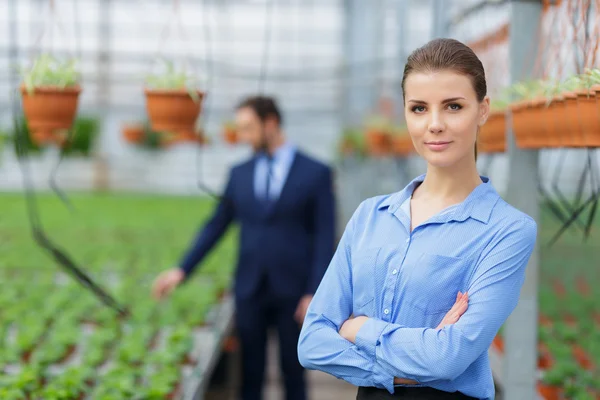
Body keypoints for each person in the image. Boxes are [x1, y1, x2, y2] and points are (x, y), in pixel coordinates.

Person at [297, 38, 537, 400]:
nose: (435, 124)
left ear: (483, 110)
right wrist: (404, 372)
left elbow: (448, 357)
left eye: (453, 106)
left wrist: (358, 327)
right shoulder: (369, 216)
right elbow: (312, 341)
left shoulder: (507, 230)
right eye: (419, 108)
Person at [152, 95, 336, 400]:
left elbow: (324, 237)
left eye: (248, 128)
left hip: (295, 290)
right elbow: (217, 225)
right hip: (250, 287)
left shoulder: (315, 173)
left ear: (271, 123)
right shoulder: (240, 173)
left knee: (294, 370)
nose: (242, 136)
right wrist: (182, 269)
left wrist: (315, 291)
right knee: (250, 374)